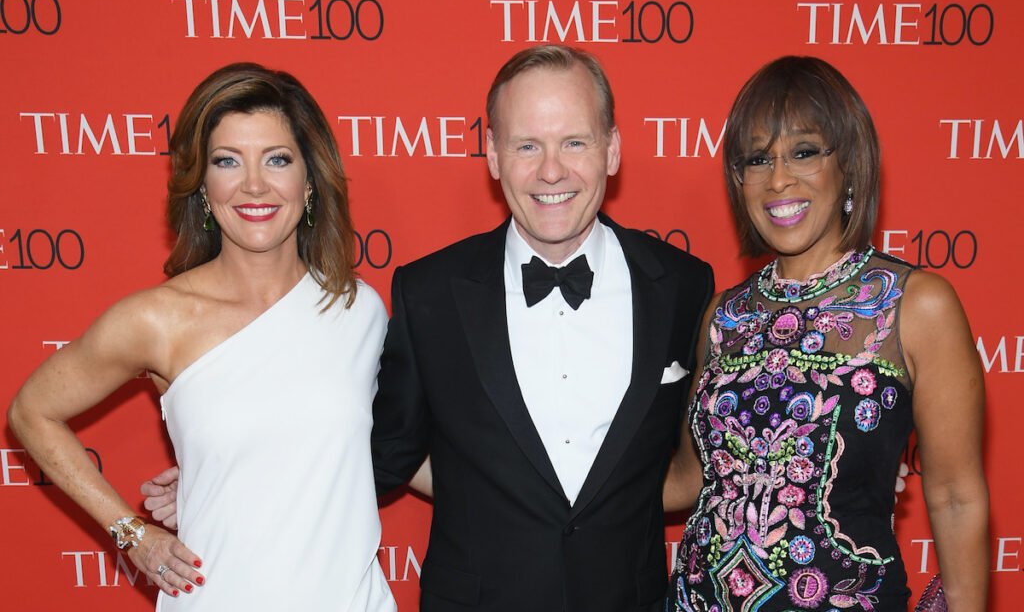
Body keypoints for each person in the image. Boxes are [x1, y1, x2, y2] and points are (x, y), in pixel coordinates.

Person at [8, 63, 397, 612]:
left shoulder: (358, 309)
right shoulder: (158, 319)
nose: (254, 185)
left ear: (310, 181)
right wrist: (131, 535)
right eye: (227, 161)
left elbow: (390, 448)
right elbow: (31, 411)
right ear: (203, 185)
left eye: (278, 159)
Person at [364, 45, 714, 611]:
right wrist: (229, 478)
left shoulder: (682, 286)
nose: (551, 170)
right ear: (494, 156)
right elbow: (382, 456)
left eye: (574, 142)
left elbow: (718, 446)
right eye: (527, 145)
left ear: (612, 150)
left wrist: (848, 463)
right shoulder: (429, 293)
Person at [663, 56, 988, 611]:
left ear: (850, 167)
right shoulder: (723, 316)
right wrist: (558, 479)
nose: (778, 179)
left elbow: (956, 497)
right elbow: (689, 481)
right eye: (757, 159)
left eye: (805, 152)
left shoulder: (914, 304)